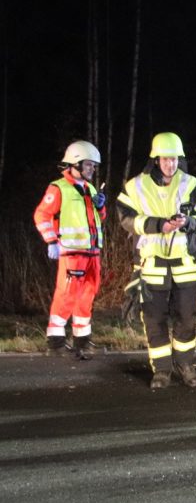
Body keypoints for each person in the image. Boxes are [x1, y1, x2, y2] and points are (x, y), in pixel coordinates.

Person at [116, 132, 196, 389]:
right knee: (154, 318)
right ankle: (161, 371)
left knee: (186, 317)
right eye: (165, 159)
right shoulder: (136, 186)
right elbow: (126, 218)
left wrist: (190, 222)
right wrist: (159, 225)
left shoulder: (194, 185)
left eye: (174, 159)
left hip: (185, 264)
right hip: (152, 264)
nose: (170, 164)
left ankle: (185, 365)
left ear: (179, 159)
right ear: (155, 159)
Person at [33, 140, 106, 359]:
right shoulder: (58, 188)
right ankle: (55, 342)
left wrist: (101, 206)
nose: (92, 169)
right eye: (89, 165)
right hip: (72, 252)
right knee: (67, 295)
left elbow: (99, 219)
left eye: (93, 165)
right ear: (75, 164)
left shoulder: (90, 188)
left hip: (92, 252)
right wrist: (51, 240)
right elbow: (41, 215)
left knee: (87, 295)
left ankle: (82, 341)